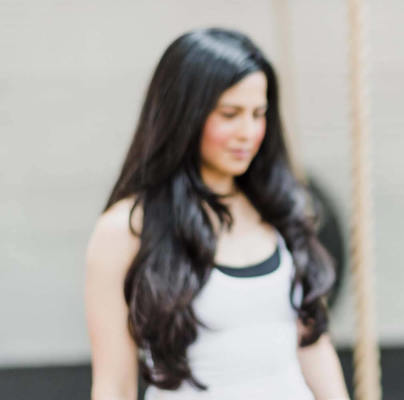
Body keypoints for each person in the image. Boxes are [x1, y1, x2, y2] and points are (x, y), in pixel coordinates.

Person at [85, 28, 349, 399]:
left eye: (259, 114)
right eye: (230, 114)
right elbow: (114, 385)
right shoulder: (125, 229)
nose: (249, 131)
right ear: (185, 115)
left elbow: (314, 346)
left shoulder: (281, 208)